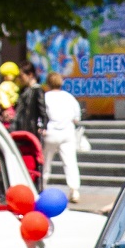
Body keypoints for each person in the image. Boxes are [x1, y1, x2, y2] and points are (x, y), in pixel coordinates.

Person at [40, 71, 83, 204]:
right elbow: (76, 118)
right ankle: (74, 190)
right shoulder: (69, 97)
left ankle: (42, 186)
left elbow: (40, 116)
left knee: (45, 161)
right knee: (70, 163)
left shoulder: (45, 97)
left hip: (50, 133)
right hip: (67, 133)